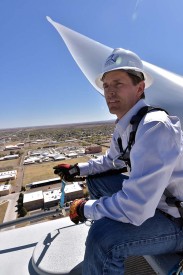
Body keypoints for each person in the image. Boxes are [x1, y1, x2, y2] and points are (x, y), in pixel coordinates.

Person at [53, 48, 183, 274]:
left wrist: (86, 209)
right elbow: (110, 161)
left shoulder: (154, 126)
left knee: (102, 238)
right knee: (96, 181)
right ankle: (107, 240)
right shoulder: (128, 125)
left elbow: (136, 207)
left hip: (176, 220)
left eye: (118, 84)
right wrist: (78, 169)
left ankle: (106, 245)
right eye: (106, 86)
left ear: (140, 88)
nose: (110, 92)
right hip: (157, 205)